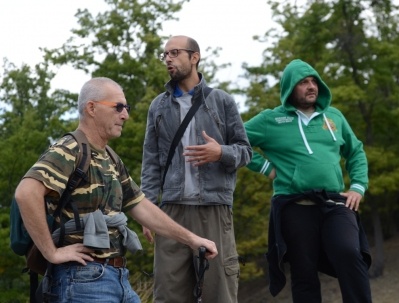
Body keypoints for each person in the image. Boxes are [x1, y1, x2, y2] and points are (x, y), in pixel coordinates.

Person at [14, 77, 218, 303]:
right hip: (82, 280)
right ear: (91, 108)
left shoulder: (110, 156)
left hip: (117, 277)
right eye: (118, 107)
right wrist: (51, 252)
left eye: (126, 108)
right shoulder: (69, 149)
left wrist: (192, 239)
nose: (125, 115)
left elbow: (140, 205)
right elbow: (26, 193)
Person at [244, 59, 372, 303]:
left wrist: (357, 186)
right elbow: (233, 139)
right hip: (294, 206)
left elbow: (355, 151)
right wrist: (264, 167)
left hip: (334, 203)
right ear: (290, 88)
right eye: (303, 82)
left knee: (349, 252)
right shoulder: (271, 120)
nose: (311, 86)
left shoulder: (333, 116)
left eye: (314, 81)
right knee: (303, 273)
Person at [140, 35, 252, 303]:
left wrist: (220, 152)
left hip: (213, 208)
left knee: (219, 293)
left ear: (194, 57)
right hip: (171, 211)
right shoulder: (158, 106)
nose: (168, 59)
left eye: (175, 53)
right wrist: (147, 210)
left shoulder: (222, 101)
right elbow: (151, 161)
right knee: (168, 294)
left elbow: (245, 151)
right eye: (165, 54)